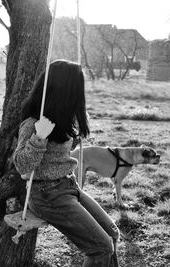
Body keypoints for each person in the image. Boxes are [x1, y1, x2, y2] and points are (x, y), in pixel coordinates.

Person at [13, 59, 119, 267]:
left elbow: (60, 153)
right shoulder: (33, 124)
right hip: (47, 195)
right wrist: (39, 138)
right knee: (101, 248)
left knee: (112, 234)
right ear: (64, 92)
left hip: (68, 186)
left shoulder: (62, 119)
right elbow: (22, 165)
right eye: (77, 91)